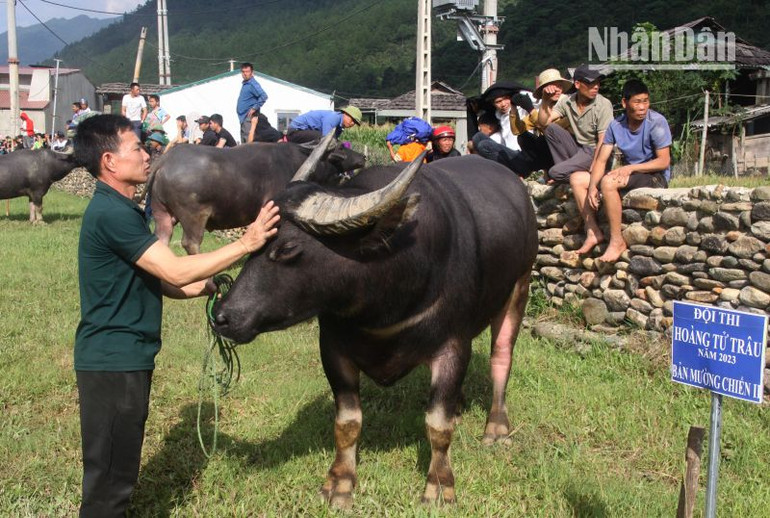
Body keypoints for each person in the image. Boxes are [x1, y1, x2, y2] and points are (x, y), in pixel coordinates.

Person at [72, 114, 280, 517]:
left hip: (125, 357)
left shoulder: (122, 210)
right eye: (137, 148)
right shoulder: (112, 214)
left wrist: (206, 285)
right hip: (113, 361)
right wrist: (247, 242)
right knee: (109, 485)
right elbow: (173, 269)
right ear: (110, 162)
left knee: (118, 470)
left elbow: (164, 281)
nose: (148, 154)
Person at [584, 79, 671, 262]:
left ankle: (617, 241)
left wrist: (630, 168)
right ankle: (591, 231)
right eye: (637, 102)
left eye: (645, 101)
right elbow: (601, 160)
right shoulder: (616, 126)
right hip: (633, 174)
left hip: (655, 176)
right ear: (625, 103)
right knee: (588, 182)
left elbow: (663, 161)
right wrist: (592, 187)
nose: (642, 107)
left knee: (608, 183)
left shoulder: (656, 122)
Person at [539, 64, 614, 254]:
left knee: (556, 172)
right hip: (579, 150)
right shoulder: (569, 101)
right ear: (578, 84)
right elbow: (543, 123)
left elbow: (603, 143)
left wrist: (594, 173)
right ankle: (569, 171)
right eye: (590, 83)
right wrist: (545, 101)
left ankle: (564, 173)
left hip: (596, 152)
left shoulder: (603, 104)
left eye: (597, 83)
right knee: (552, 130)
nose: (595, 87)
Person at [470, 83, 539, 177]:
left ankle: (507, 175)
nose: (503, 104)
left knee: (484, 145)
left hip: (525, 157)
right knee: (478, 137)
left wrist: (518, 94)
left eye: (506, 98)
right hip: (510, 156)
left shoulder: (522, 109)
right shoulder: (500, 117)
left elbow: (537, 99)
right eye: (498, 102)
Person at [286, 106, 362, 143]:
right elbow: (326, 138)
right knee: (323, 138)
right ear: (346, 114)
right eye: (352, 120)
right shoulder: (334, 118)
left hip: (306, 132)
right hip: (295, 132)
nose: (352, 123)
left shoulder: (340, 126)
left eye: (355, 123)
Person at [237, 62, 269, 144]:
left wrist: (254, 108)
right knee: (244, 142)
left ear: (252, 73)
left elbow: (264, 96)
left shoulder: (252, 84)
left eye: (247, 71)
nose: (245, 74)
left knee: (248, 143)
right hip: (243, 118)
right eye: (243, 71)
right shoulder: (246, 84)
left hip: (249, 118)